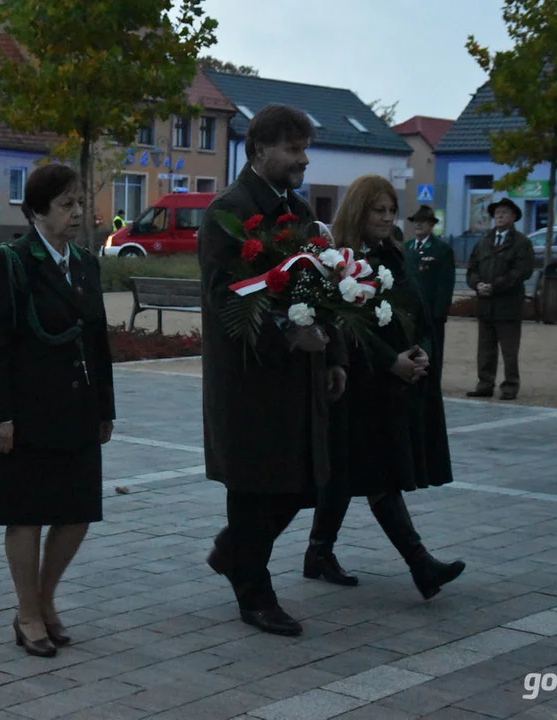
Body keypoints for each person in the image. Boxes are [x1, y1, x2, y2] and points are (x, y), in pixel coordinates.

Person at [199, 104, 347, 637]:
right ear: (260, 150)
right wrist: (288, 333)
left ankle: (232, 550)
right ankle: (254, 593)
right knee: (254, 485)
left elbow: (322, 290)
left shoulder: (299, 210)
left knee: (299, 484)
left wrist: (331, 356)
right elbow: (226, 301)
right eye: (293, 149)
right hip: (248, 380)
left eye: (305, 149)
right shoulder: (229, 212)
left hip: (299, 376)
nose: (303, 159)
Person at [0, 163, 115, 657]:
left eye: (80, 204)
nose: (77, 214)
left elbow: (98, 343)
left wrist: (105, 408)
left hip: (75, 409)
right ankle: (28, 614)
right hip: (24, 413)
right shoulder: (12, 261)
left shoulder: (85, 263)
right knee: (26, 515)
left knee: (76, 513)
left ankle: (44, 599)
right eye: (66, 205)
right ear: (37, 211)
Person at [305, 175, 463, 599]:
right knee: (378, 474)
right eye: (379, 210)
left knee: (349, 473)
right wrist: (388, 360)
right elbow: (343, 323)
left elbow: (418, 312)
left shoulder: (394, 254)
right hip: (356, 384)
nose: (388, 218)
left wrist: (421, 352)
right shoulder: (339, 257)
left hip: (395, 383)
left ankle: (318, 551)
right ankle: (420, 564)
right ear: (359, 210)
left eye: (392, 210)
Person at [465, 197, 534, 400]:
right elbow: (472, 269)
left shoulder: (522, 243)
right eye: (497, 213)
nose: (499, 215)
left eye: (504, 212)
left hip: (508, 305)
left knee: (509, 350)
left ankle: (510, 386)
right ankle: (485, 383)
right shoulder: (483, 242)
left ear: (513, 217)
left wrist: (495, 287)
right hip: (485, 305)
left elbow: (521, 272)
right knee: (485, 349)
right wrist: (477, 284)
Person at [405, 205, 455, 376]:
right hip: (410, 311)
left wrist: (439, 313)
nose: (418, 225)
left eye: (423, 222)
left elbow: (445, 283)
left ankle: (432, 383)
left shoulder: (441, 249)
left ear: (431, 225)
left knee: (432, 351)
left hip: (431, 312)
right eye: (416, 222)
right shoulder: (407, 247)